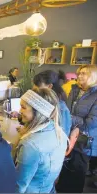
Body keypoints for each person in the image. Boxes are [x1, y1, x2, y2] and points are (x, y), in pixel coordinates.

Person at [15, 88, 67, 193]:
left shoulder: (30, 145)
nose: (19, 111)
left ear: (38, 111)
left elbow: (19, 186)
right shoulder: (58, 131)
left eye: (23, 107)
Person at [56, 65, 97, 193]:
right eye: (78, 73)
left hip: (84, 141)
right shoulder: (74, 89)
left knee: (76, 174)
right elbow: (66, 109)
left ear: (93, 76)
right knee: (64, 171)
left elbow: (91, 122)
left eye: (83, 73)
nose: (79, 76)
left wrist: (68, 117)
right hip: (68, 135)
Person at [33, 70, 71, 136]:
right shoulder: (43, 101)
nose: (34, 87)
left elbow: (63, 135)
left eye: (37, 85)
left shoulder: (61, 108)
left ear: (50, 86)